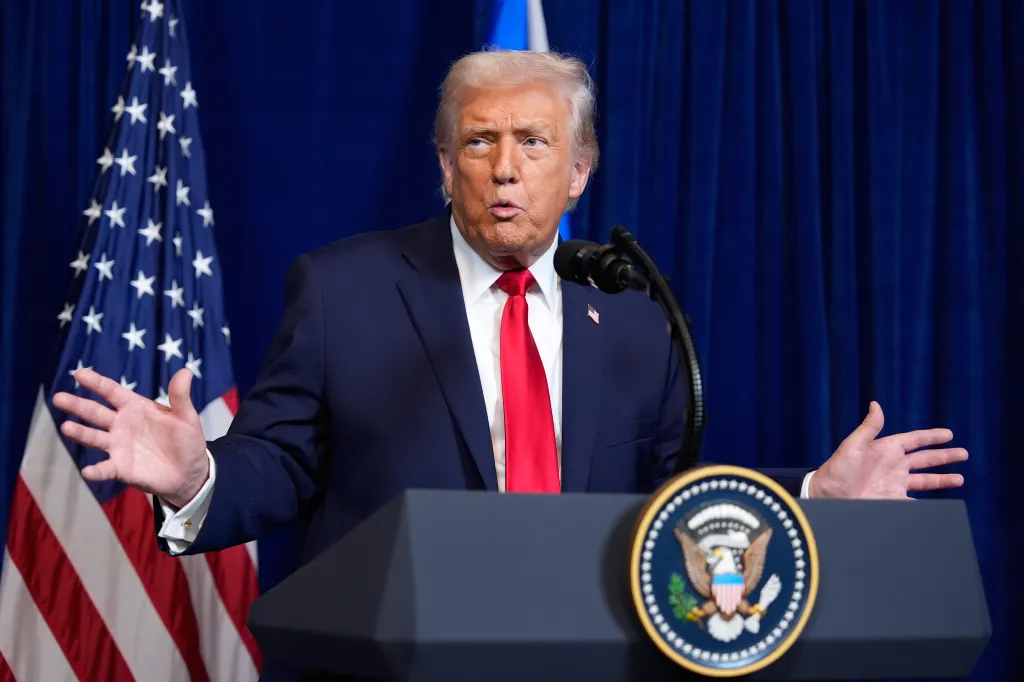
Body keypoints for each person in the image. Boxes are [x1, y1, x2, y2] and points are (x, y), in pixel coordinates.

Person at [52, 49, 967, 680]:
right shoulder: (345, 289)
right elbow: (282, 462)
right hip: (389, 664)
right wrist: (195, 474)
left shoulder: (636, 323)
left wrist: (811, 497)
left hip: (582, 662)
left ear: (578, 171)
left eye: (533, 143)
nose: (504, 168)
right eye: (479, 142)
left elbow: (665, 508)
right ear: (445, 165)